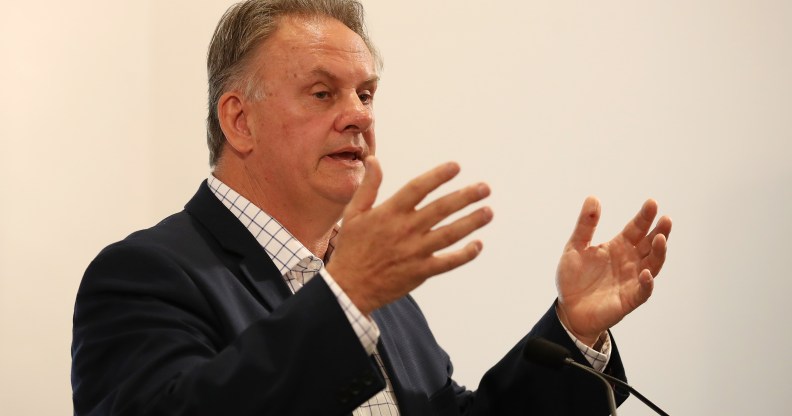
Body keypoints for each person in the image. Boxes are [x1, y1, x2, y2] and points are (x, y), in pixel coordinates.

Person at [71, 0, 672, 415]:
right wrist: (346, 297)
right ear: (239, 119)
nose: (359, 114)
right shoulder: (144, 277)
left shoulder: (375, 290)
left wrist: (574, 331)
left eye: (365, 93)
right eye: (322, 92)